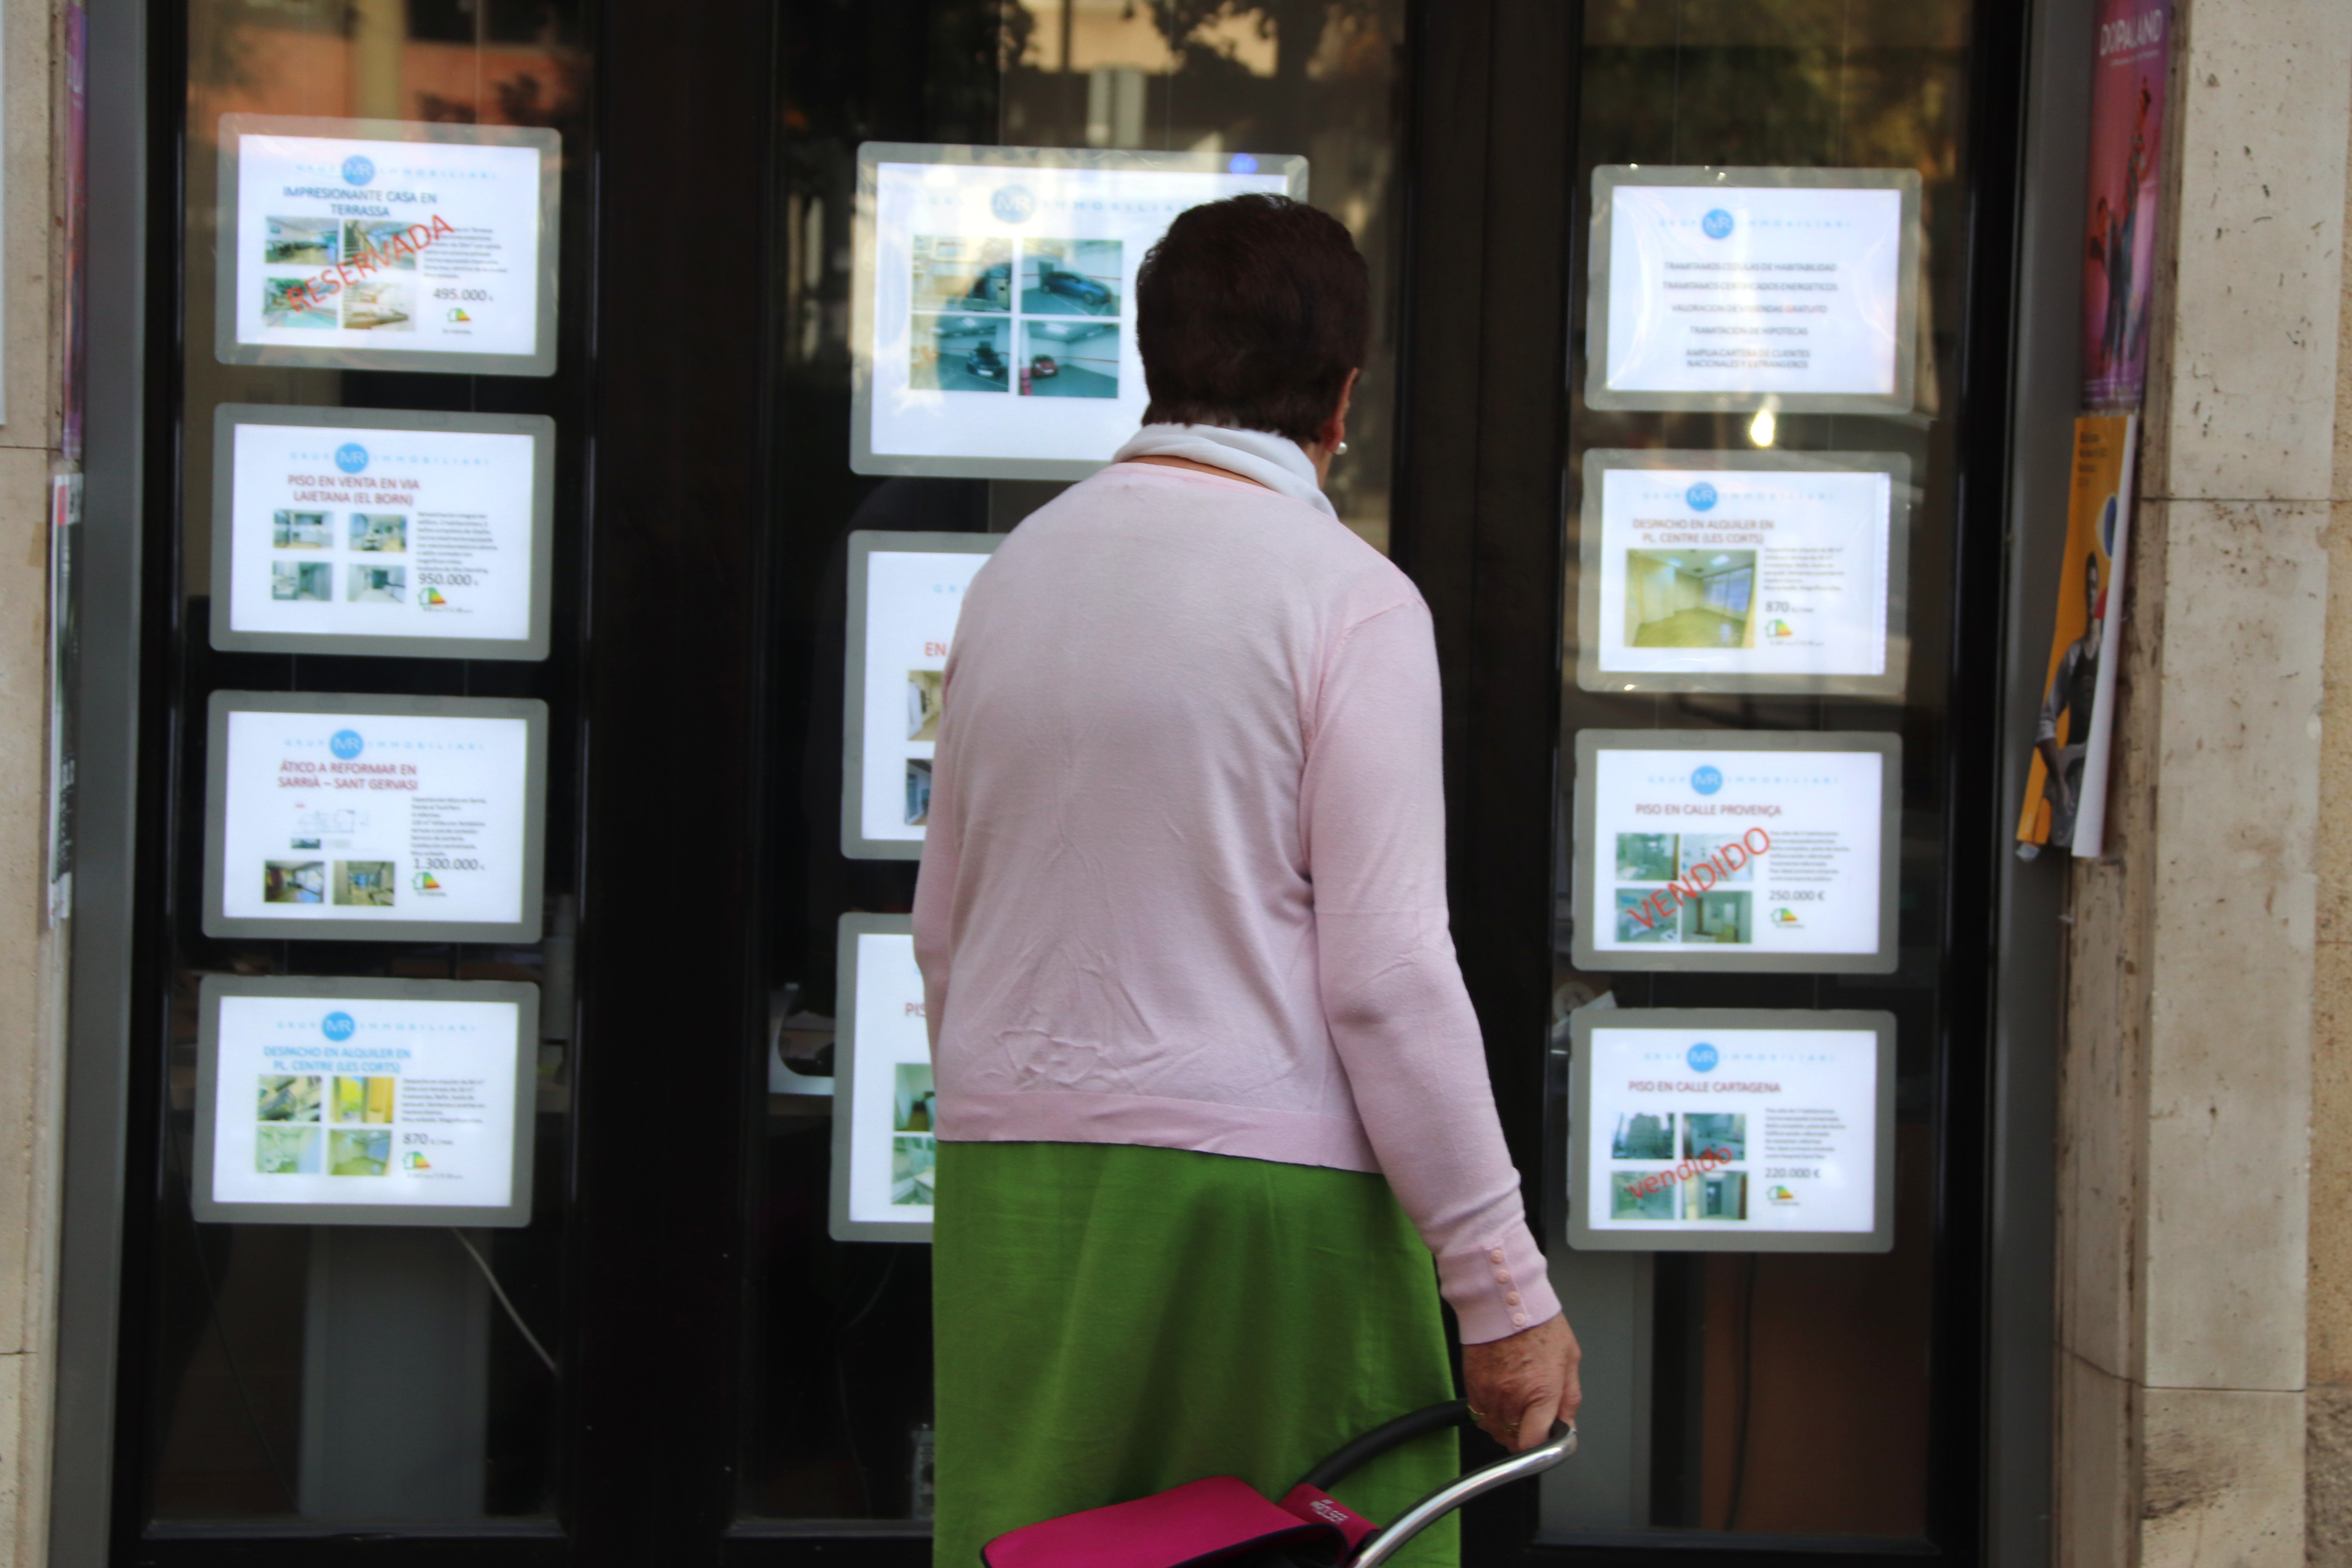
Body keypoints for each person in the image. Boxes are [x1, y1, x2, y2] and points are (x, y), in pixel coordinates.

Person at [913, 194, 1580, 1568]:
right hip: (1273, 1203)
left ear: (1156, 365)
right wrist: (1501, 1284)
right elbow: (1389, 977)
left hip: (1013, 1180)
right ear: (1344, 399)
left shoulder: (1012, 577)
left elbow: (944, 925)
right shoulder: (1350, 597)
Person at [2036, 548, 2104, 846]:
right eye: (2086, 588)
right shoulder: (2075, 654)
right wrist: (2061, 781)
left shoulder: (2114, 650)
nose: (2091, 596)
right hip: (2075, 770)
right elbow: (2046, 717)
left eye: (2095, 587)